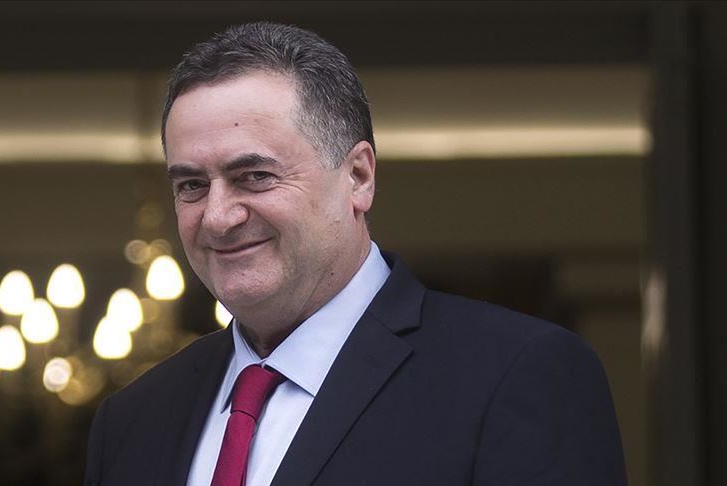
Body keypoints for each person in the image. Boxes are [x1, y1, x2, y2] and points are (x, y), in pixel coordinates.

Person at [84, 22, 627, 486]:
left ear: (359, 177)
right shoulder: (133, 419)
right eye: (192, 186)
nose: (218, 217)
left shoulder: (515, 374)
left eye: (255, 176)